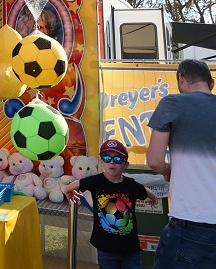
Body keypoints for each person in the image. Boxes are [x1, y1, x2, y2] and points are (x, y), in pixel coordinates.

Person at [147, 59, 216, 268]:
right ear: (211, 84)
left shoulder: (172, 104)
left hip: (190, 222)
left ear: (181, 78)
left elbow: (154, 160)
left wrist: (168, 170)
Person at [61, 139, 157, 269]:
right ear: (101, 163)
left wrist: (154, 198)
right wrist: (69, 192)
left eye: (118, 159)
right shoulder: (95, 181)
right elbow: (73, 185)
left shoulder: (130, 184)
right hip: (106, 249)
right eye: (107, 158)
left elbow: (145, 191)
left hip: (130, 249)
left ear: (126, 165)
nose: (112, 162)